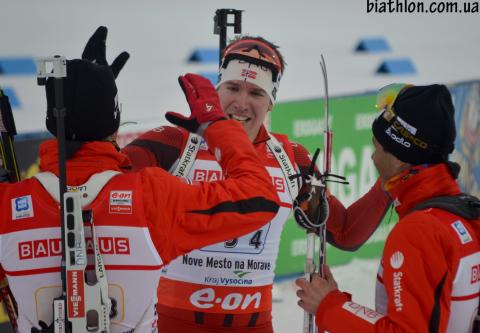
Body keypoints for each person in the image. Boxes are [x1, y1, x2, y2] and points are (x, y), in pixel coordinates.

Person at [0, 39, 281, 332]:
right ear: (115, 121)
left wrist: (82, 95)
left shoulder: (8, 205)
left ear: (50, 120)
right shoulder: (151, 196)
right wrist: (215, 125)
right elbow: (259, 196)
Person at [123, 35, 392, 332]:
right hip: (172, 323)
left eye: (256, 93)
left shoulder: (289, 157)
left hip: (254, 325)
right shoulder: (175, 143)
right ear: (217, 90)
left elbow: (345, 232)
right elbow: (105, 182)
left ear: (271, 102)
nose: (241, 103)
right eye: (233, 88)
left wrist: (395, 173)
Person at [296, 84, 480, 332]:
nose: (372, 158)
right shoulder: (465, 213)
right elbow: (347, 231)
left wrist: (329, 305)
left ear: (400, 157)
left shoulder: (420, 231)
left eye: (377, 147)